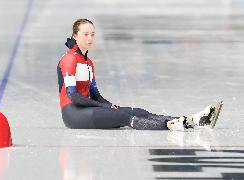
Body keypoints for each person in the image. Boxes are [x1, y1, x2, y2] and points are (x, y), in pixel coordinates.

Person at [57, 18, 216, 130]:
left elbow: (95, 94)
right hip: (73, 114)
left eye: (92, 34)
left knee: (137, 111)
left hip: (87, 108)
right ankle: (176, 125)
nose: (90, 38)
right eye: (86, 34)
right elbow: (74, 97)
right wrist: (104, 106)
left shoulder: (88, 63)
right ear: (75, 36)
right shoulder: (69, 60)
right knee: (125, 117)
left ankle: (190, 120)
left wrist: (110, 105)